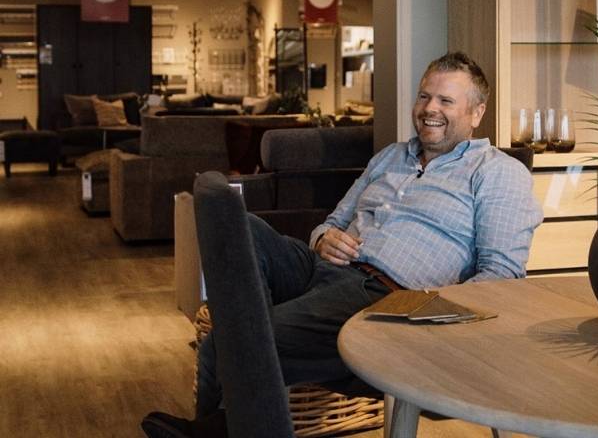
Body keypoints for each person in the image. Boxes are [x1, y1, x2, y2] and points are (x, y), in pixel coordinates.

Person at [142, 52, 543, 438]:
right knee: (239, 227)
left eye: (445, 100)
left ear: (476, 112)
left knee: (229, 342)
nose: (429, 108)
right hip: (320, 268)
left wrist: (426, 316)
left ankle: (219, 422)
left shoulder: (497, 173)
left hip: (383, 294)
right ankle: (248, 359)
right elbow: (332, 221)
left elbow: (502, 275)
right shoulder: (391, 156)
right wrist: (323, 239)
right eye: (424, 96)